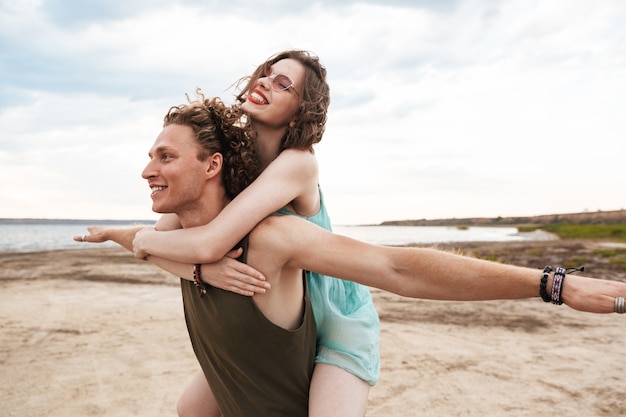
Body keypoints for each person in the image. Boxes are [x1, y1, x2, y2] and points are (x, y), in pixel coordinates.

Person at [78, 92, 626, 417]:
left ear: (213, 165)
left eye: (165, 156)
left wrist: (551, 283)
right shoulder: (174, 231)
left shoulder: (272, 236)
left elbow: (397, 267)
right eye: (149, 156)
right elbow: (143, 239)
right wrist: (129, 239)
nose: (147, 169)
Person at [131, 50, 380, 417]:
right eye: (265, 73)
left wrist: (143, 241)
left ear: (302, 109)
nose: (264, 81)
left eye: (283, 83)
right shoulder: (238, 162)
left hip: (337, 315)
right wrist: (199, 269)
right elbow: (170, 235)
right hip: (284, 309)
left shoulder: (298, 163)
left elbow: (204, 242)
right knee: (191, 409)